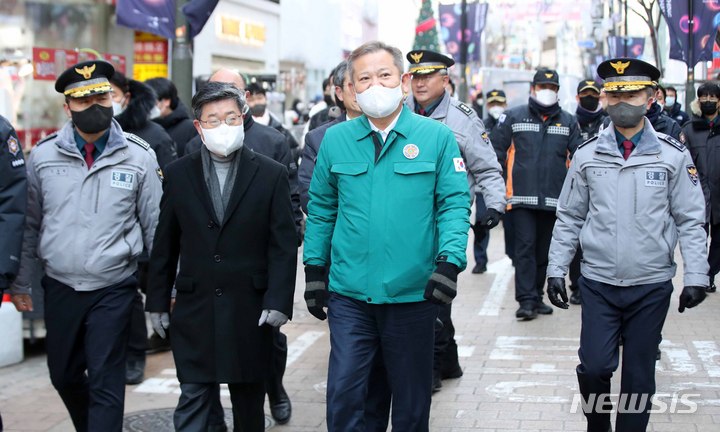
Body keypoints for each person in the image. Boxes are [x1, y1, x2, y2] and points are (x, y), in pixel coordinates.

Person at [303, 41, 470, 431]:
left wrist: (449, 262)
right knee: (346, 395)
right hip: (350, 295)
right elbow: (323, 208)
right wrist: (314, 268)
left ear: (404, 80)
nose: (375, 84)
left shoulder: (436, 138)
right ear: (351, 89)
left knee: (411, 404)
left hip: (413, 294)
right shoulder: (335, 140)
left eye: (384, 75)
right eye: (364, 78)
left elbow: (454, 205)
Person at [546, 58, 708, 432]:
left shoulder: (672, 155)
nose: (623, 102)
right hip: (599, 283)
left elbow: (690, 218)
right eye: (615, 94)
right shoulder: (587, 155)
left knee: (638, 375)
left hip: (650, 285)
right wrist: (556, 269)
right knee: (596, 366)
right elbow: (569, 217)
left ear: (651, 97)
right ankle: (597, 425)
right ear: (603, 98)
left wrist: (696, 275)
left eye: (632, 93)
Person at [9, 60, 162, 432]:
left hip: (114, 287)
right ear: (67, 107)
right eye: (83, 100)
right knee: (63, 374)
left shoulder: (139, 156)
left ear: (113, 99)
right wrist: (20, 282)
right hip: (60, 285)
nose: (95, 106)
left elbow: (156, 226)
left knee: (108, 379)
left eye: (102, 96)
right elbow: (29, 223)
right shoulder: (43, 156)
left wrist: (164, 287)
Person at [145, 82, 297, 432]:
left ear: (243, 119)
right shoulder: (179, 174)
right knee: (194, 401)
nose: (222, 126)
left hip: (251, 310)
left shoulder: (270, 173)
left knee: (248, 406)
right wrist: (156, 301)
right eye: (213, 120)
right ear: (198, 127)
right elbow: (164, 242)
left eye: (231, 117)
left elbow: (283, 245)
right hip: (195, 308)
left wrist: (278, 301)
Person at [184, 68, 300, 426]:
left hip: (254, 281)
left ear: (244, 101)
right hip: (206, 287)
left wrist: (278, 292)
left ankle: (275, 390)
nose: (221, 117)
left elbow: (288, 215)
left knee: (261, 357)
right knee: (201, 382)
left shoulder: (273, 143)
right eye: (213, 98)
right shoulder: (191, 152)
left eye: (229, 94)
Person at [403, 49, 506, 391]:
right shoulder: (398, 111)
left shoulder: (463, 119)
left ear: (444, 80)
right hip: (405, 223)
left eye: (427, 76)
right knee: (415, 296)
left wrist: (494, 206)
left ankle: (431, 369)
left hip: (445, 220)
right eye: (415, 76)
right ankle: (449, 360)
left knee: (435, 296)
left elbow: (488, 168)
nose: (419, 82)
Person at [300, 60, 393, 431]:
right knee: (349, 369)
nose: (369, 91)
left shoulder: (411, 133)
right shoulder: (323, 139)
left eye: (377, 79)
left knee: (385, 370)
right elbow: (313, 199)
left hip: (397, 277)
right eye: (359, 83)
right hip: (346, 272)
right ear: (341, 92)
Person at [492, 68, 582, 320]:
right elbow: (496, 154)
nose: (547, 92)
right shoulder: (513, 117)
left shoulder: (568, 121)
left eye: (552, 88)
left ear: (558, 92)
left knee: (544, 252)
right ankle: (526, 300)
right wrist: (498, 193)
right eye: (543, 86)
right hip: (520, 199)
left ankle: (538, 297)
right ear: (532, 89)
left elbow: (577, 160)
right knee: (525, 250)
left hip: (554, 201)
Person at [108, 71, 178, 384]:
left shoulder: (155, 137)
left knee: (138, 297)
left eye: (110, 94)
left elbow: (168, 191)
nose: (106, 102)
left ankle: (137, 354)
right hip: (108, 233)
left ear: (128, 95)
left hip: (147, 234)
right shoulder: (101, 135)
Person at [568, 79, 607, 305]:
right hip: (576, 188)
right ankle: (577, 285)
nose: (590, 97)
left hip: (603, 189)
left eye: (594, 93)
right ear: (578, 97)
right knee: (576, 241)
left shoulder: (608, 122)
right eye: (585, 94)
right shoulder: (570, 122)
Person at [682, 82, 720, 293]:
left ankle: (709, 273)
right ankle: (701, 277)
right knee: (698, 239)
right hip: (698, 195)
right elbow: (682, 162)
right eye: (703, 96)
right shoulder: (689, 129)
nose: (708, 100)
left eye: (712, 97)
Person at [484, 89, 515, 266]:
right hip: (486, 182)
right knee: (483, 221)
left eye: (499, 103)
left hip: (509, 180)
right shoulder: (480, 124)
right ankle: (480, 260)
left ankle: (512, 256)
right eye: (492, 103)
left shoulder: (512, 123)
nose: (496, 107)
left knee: (510, 224)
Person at [246, 83, 301, 162]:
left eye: (259, 98)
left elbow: (293, 152)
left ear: (266, 98)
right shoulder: (242, 129)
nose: (256, 102)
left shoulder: (280, 129)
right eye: (251, 100)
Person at [145, 77, 199, 157]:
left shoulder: (190, 128)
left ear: (166, 101)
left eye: (151, 102)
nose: (147, 107)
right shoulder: (144, 127)